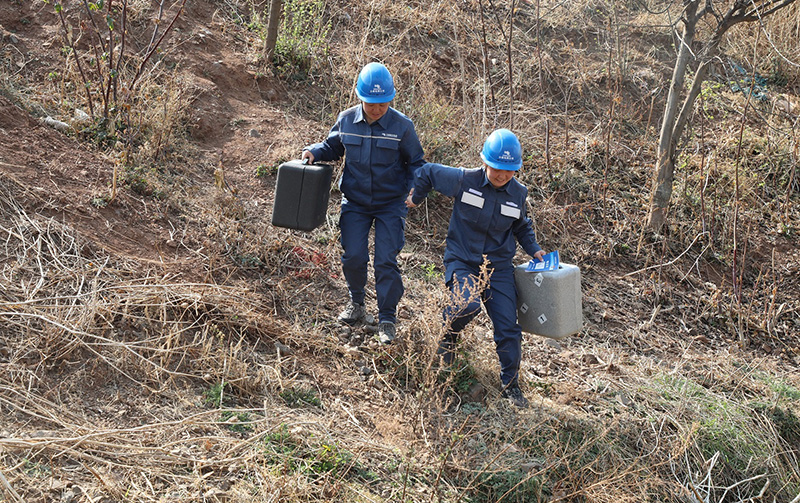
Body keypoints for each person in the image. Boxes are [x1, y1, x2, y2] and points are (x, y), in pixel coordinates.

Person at [405, 129, 545, 408]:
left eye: (509, 171)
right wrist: (415, 197)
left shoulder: (518, 193)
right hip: (463, 260)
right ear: (485, 163)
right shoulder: (463, 180)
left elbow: (521, 225)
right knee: (466, 305)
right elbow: (427, 172)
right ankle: (448, 338)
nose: (503, 176)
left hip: (499, 268)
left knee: (508, 326)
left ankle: (511, 385)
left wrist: (534, 249)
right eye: (497, 169)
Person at [302, 62, 425, 344]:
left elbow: (416, 162)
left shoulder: (402, 127)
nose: (377, 109)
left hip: (390, 204)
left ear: (391, 99)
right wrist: (313, 152)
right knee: (354, 255)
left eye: (383, 104)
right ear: (360, 97)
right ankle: (356, 304)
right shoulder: (346, 120)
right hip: (355, 201)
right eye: (371, 103)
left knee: (385, 260)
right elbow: (332, 146)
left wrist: (416, 188)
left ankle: (387, 318)